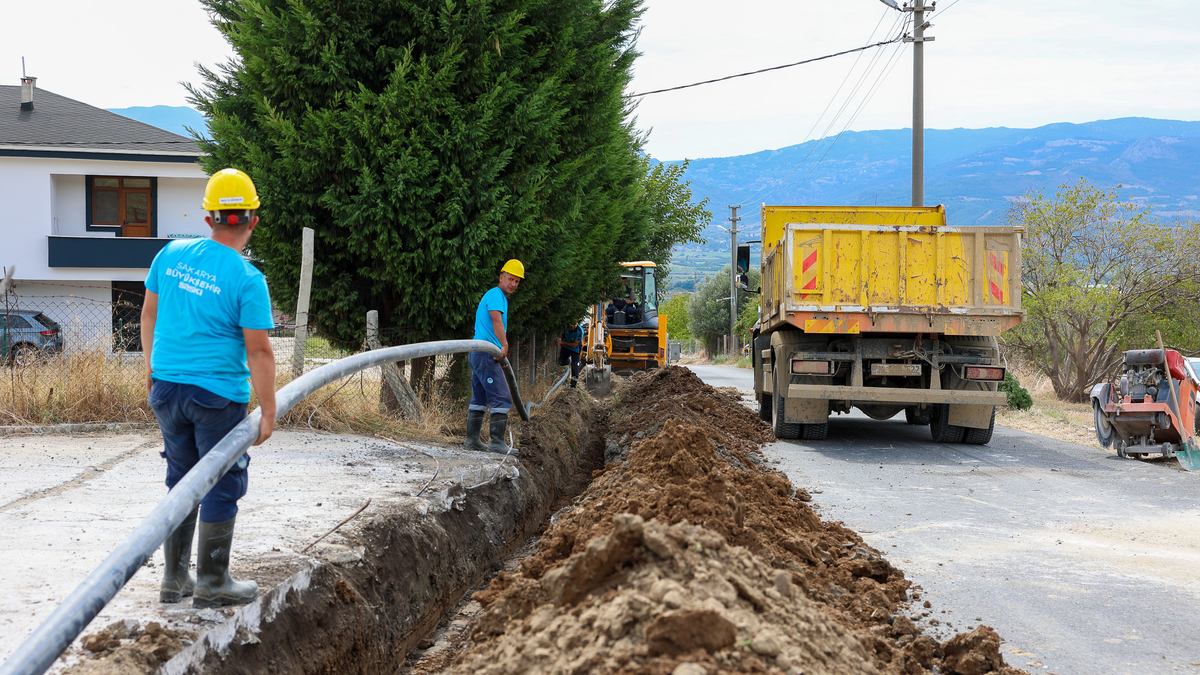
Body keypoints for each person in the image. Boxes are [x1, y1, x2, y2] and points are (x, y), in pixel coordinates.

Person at [140, 168, 276, 609]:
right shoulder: (248, 279)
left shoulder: (171, 255)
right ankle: (213, 582)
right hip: (216, 397)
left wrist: (151, 367)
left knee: (181, 479)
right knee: (221, 481)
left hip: (166, 389)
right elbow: (258, 352)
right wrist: (269, 411)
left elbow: (148, 315)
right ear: (252, 220)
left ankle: (174, 581)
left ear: (209, 218)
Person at [466, 259, 523, 455]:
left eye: (517, 281)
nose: (513, 284)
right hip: (485, 352)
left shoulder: (495, 295)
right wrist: (504, 345)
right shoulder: (497, 295)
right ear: (501, 277)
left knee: (480, 396)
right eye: (510, 279)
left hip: (480, 353)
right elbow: (496, 320)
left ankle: (472, 440)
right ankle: (497, 442)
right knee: (502, 396)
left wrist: (500, 354)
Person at [556, 321, 584, 388]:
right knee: (561, 362)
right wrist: (562, 342)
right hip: (565, 348)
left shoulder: (579, 331)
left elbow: (574, 345)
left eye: (574, 326)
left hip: (575, 350)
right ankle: (569, 361)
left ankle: (573, 386)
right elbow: (563, 334)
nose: (573, 328)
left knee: (575, 368)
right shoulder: (566, 327)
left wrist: (562, 342)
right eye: (572, 326)